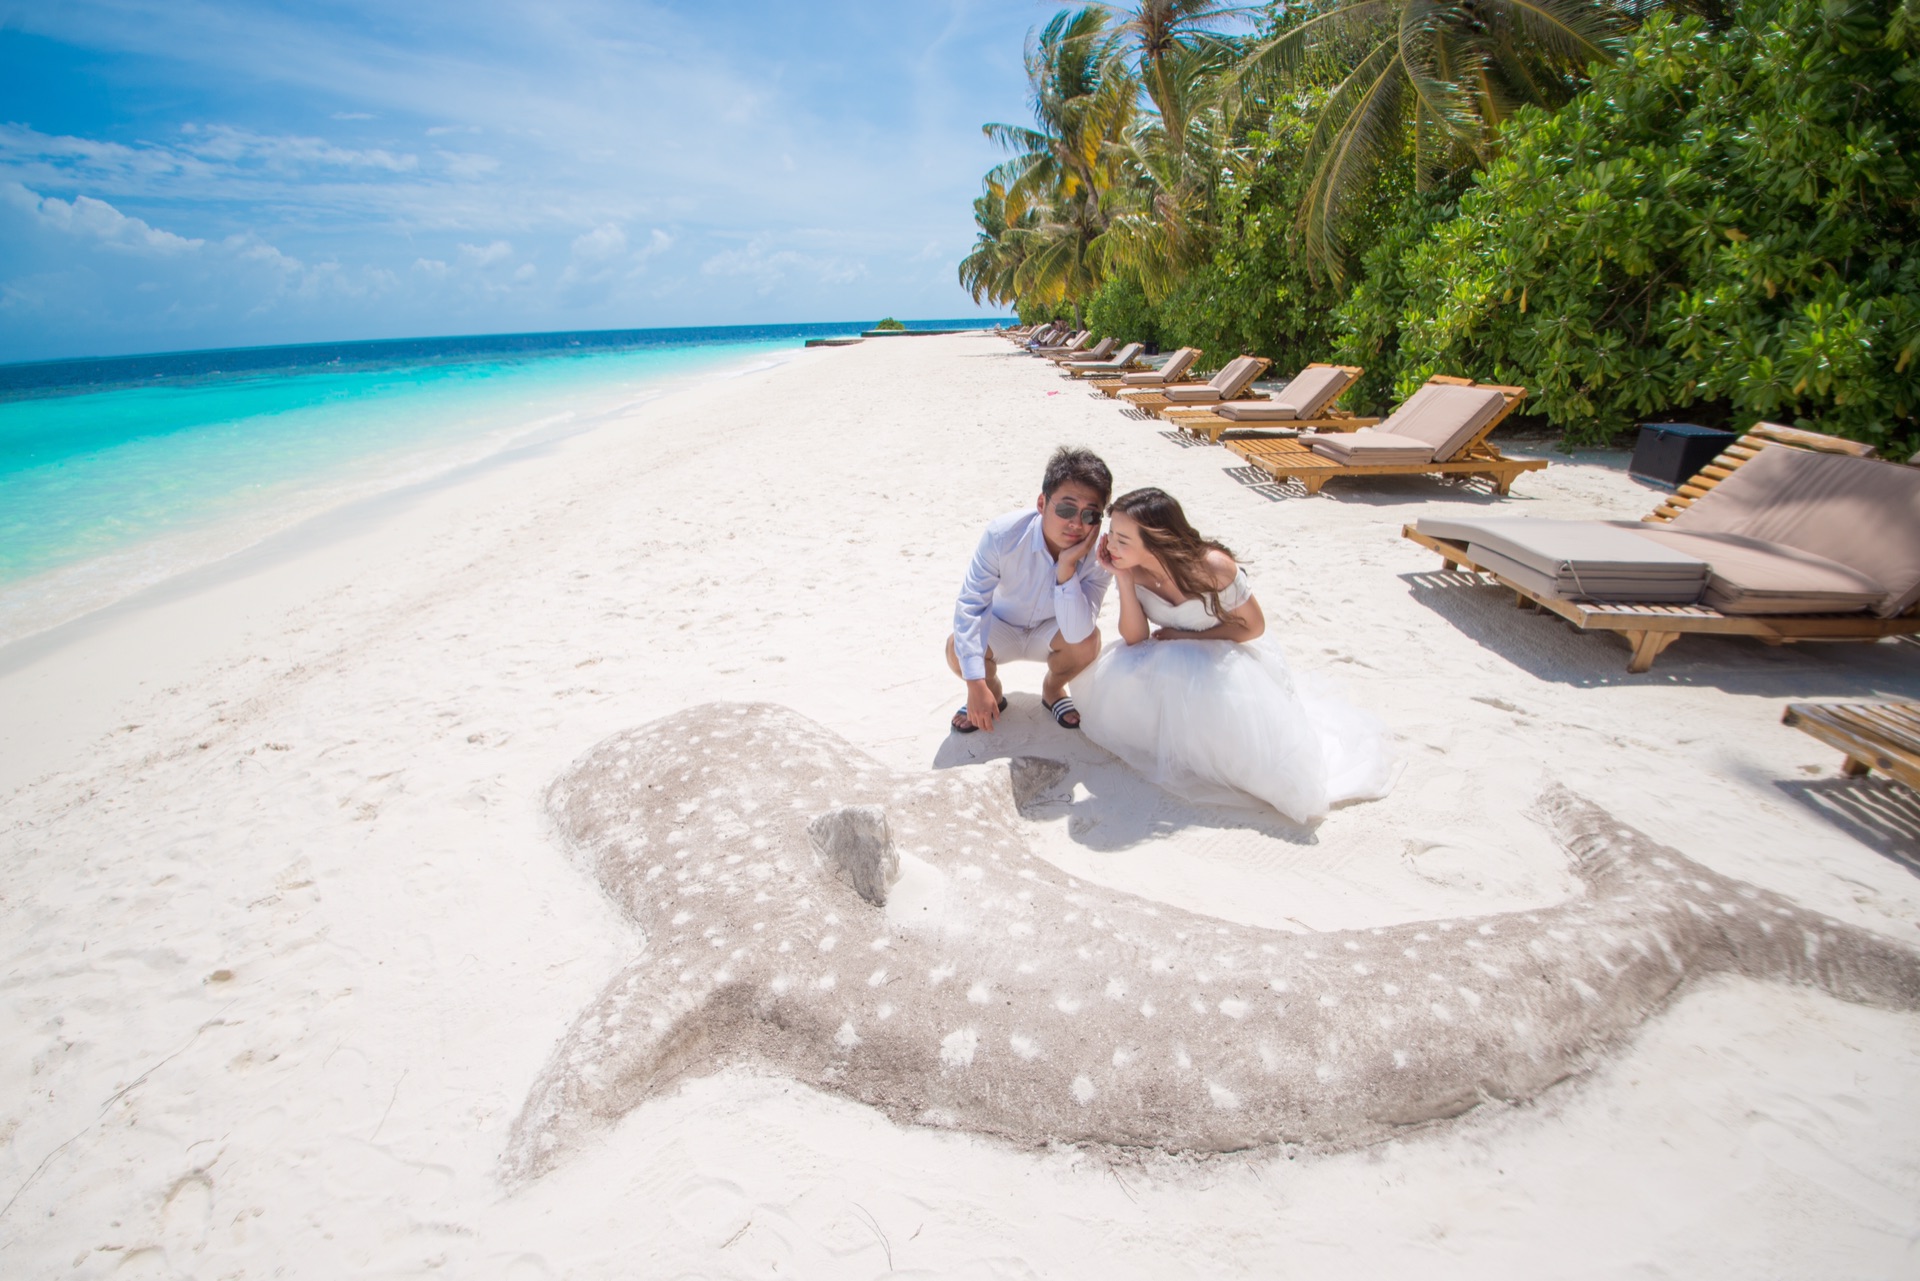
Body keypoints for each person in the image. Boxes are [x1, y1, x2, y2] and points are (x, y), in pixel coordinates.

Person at [1074, 487, 1396, 824]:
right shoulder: (1133, 567)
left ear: (1156, 540)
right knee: (1128, 671)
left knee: (1255, 759)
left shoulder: (1213, 567)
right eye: (1111, 535)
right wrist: (1123, 579)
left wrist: (1185, 637)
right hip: (1167, 652)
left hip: (1226, 652)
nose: (1110, 546)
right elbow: (1135, 638)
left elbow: (1253, 627)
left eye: (1122, 540)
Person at [947, 447, 1113, 733]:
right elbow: (971, 605)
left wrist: (1067, 567)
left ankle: (1053, 690)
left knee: (1089, 642)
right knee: (956, 648)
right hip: (1001, 625)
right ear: (1041, 503)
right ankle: (992, 693)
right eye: (1066, 509)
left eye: (1090, 516)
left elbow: (1077, 633)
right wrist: (975, 684)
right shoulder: (1003, 534)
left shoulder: (1098, 557)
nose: (1076, 523)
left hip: (1051, 631)